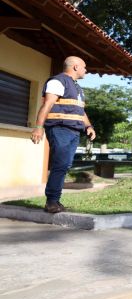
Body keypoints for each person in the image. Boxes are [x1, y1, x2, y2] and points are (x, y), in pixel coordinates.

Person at [30, 56, 96, 213]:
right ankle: (52, 202)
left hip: (74, 130)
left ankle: (55, 201)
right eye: (84, 67)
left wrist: (89, 126)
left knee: (65, 165)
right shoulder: (58, 81)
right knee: (60, 164)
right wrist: (38, 127)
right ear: (75, 67)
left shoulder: (77, 88)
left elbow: (80, 110)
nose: (86, 70)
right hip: (60, 129)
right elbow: (47, 104)